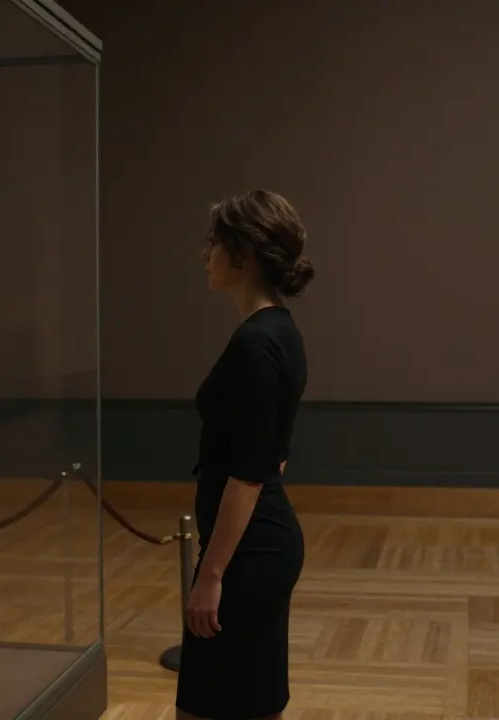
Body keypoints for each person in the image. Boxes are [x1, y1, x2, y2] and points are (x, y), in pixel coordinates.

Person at [176, 189, 316, 720]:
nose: (206, 255)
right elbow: (274, 455)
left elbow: (252, 474)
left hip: (245, 556)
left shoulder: (257, 343)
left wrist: (210, 575)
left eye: (216, 243)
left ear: (245, 255)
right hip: (254, 549)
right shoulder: (280, 332)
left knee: (211, 709)